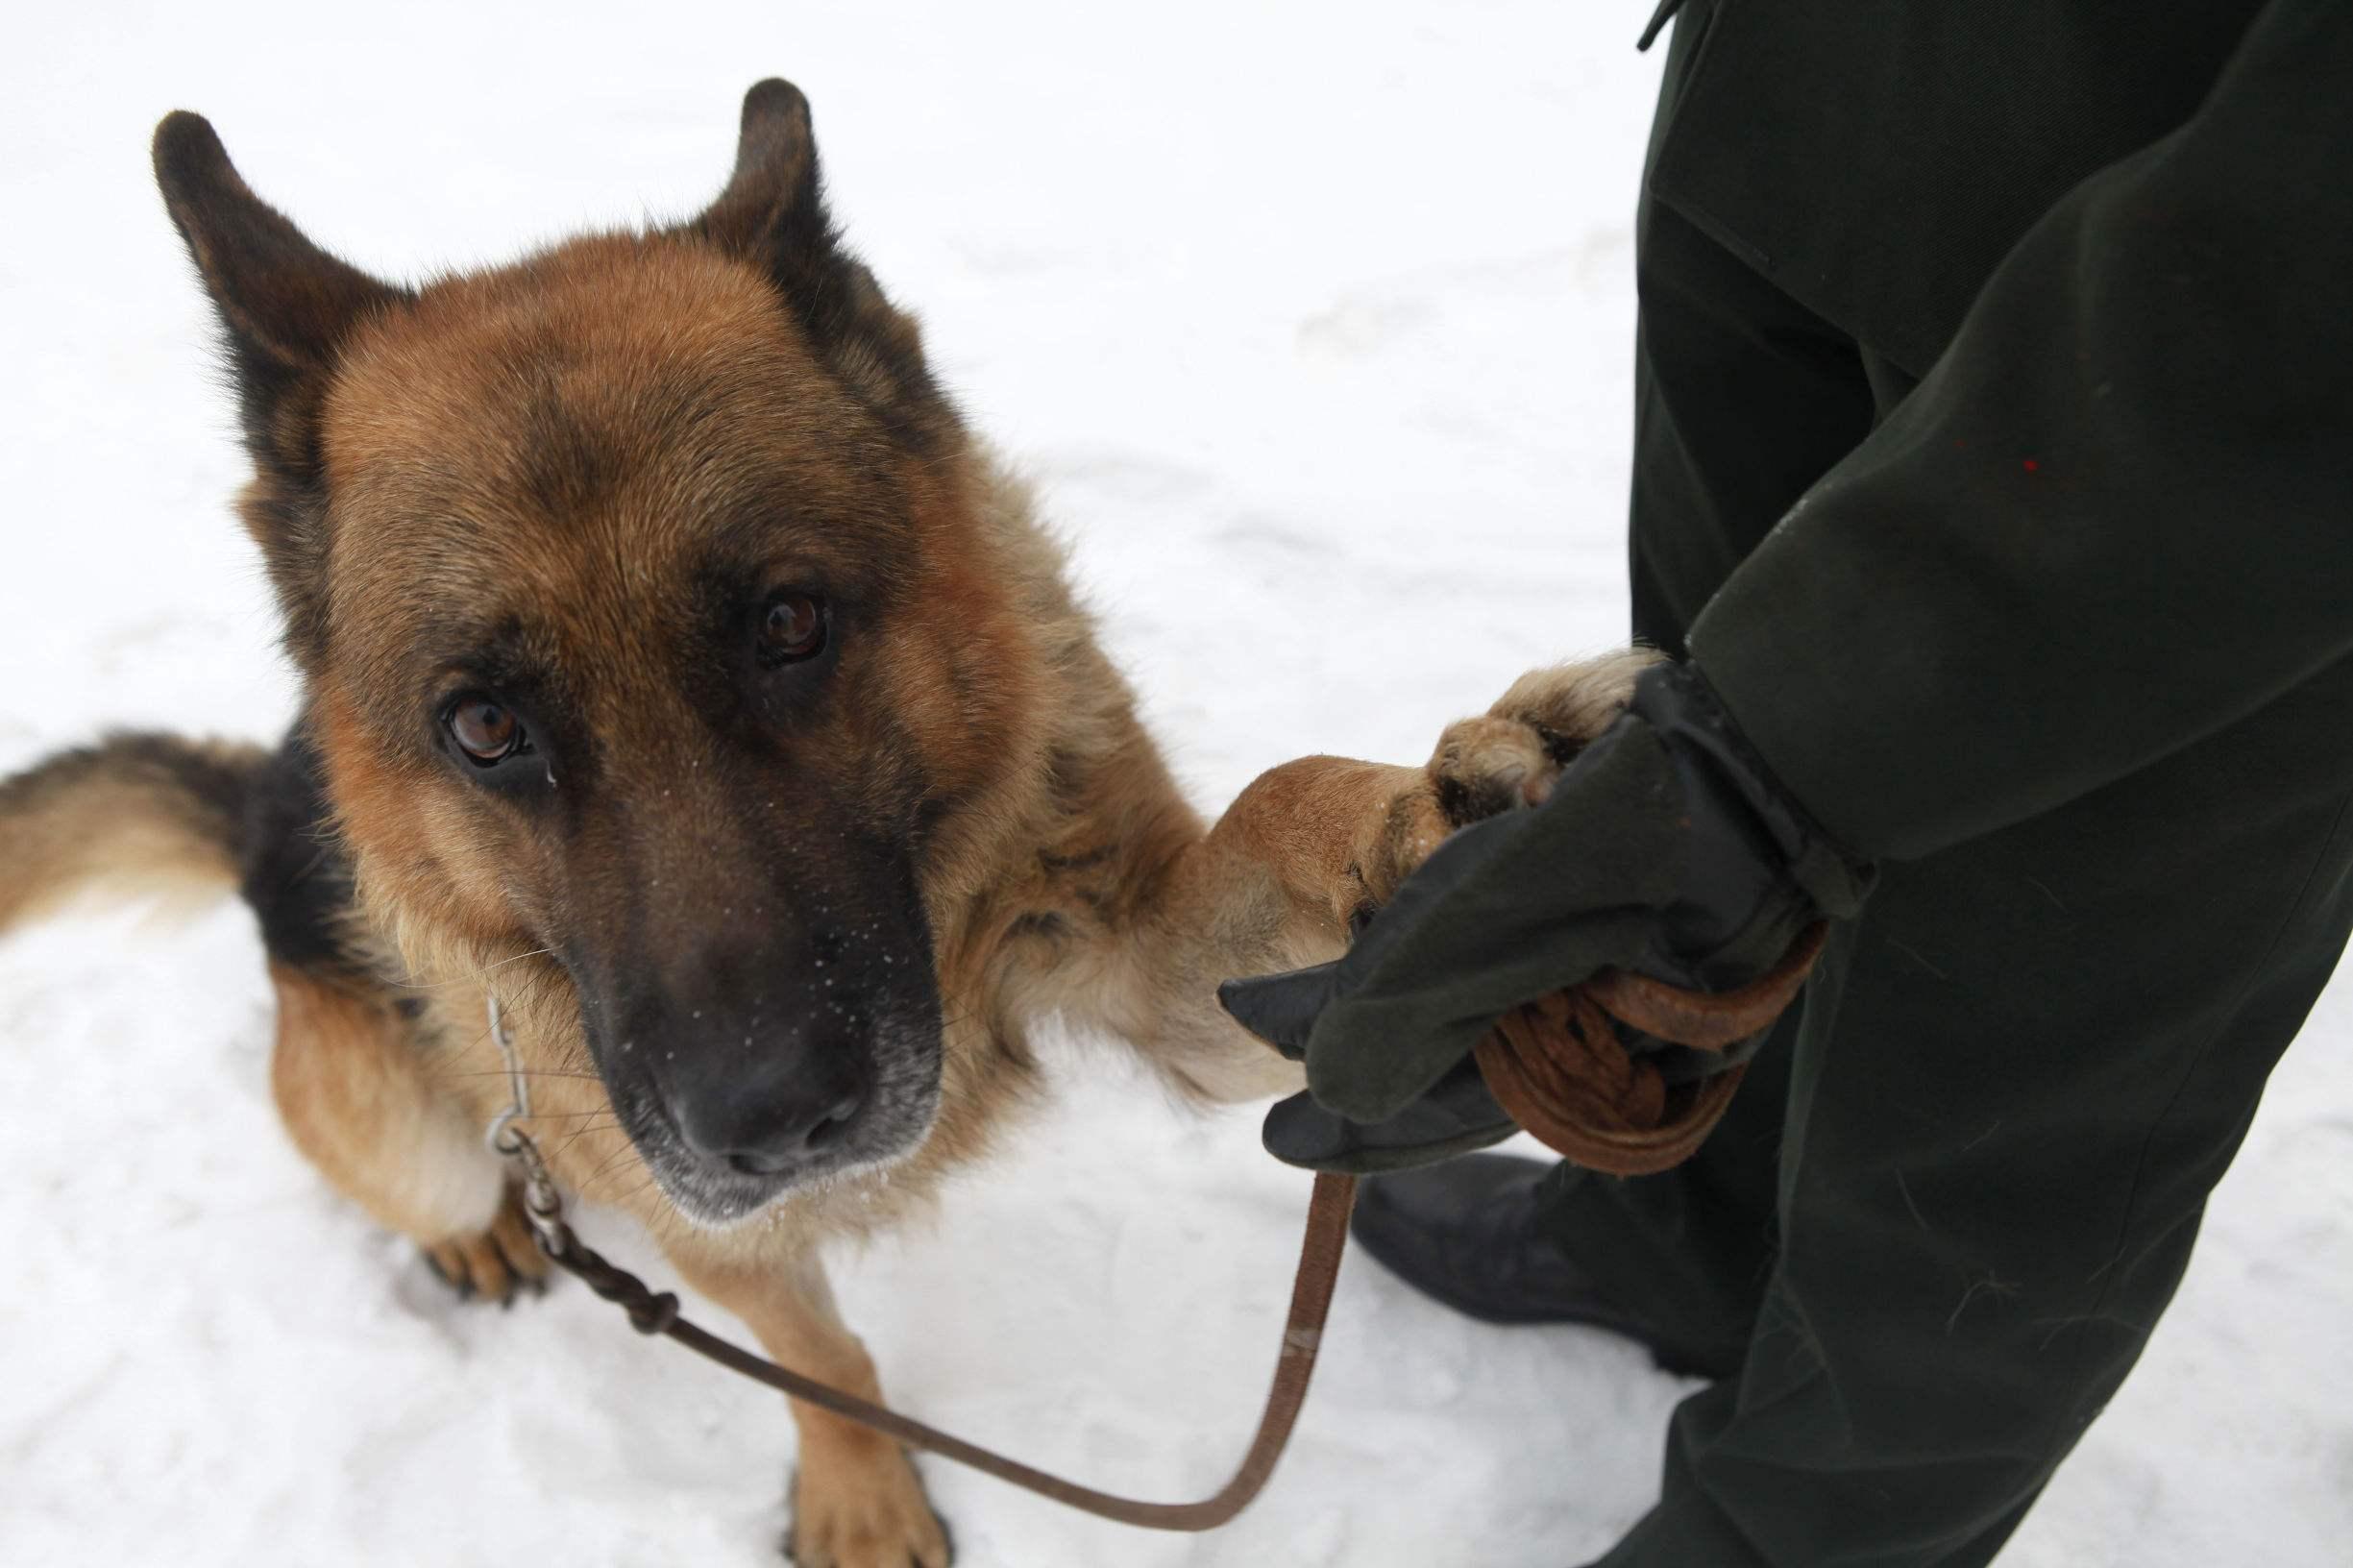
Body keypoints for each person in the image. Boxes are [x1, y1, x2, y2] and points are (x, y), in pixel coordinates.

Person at [1217, 2, 2353, 1562]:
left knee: (2015, 1095)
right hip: (1809, 121)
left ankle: (1796, 1541)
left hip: (2227, 376)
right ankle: (1694, 1226)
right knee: (1702, 761)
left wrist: (1770, 767)